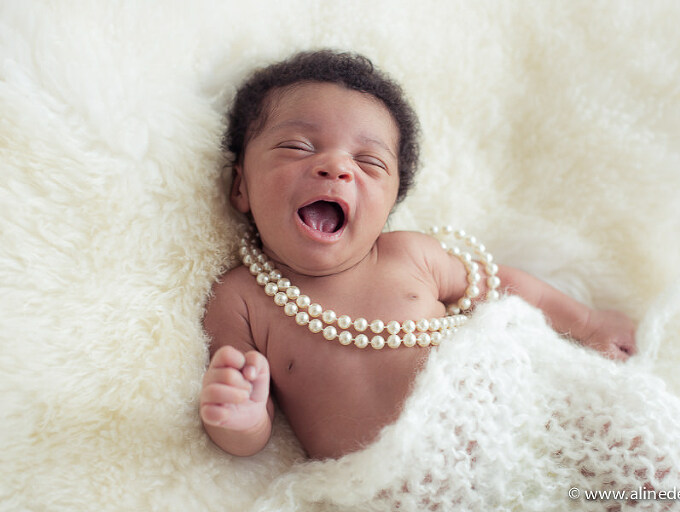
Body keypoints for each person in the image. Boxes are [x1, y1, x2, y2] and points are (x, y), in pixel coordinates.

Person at [199, 50, 637, 460]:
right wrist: (240, 418)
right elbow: (249, 435)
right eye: (298, 147)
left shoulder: (410, 256)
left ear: (389, 205)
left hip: (511, 424)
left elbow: (508, 286)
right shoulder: (241, 298)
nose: (336, 167)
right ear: (241, 187)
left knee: (632, 453)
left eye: (369, 162)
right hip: (394, 483)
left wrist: (587, 322)